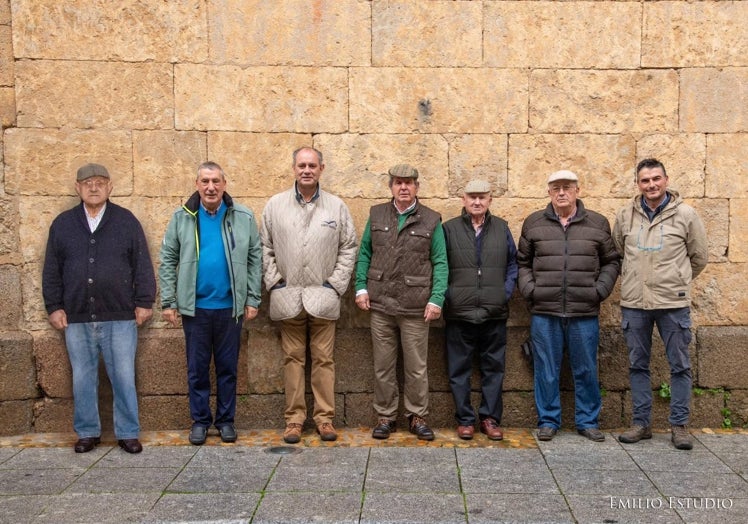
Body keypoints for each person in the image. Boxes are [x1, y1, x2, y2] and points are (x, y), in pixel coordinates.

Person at [42, 163, 156, 454]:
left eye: (100, 182)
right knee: (82, 377)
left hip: (120, 315)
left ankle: (128, 432)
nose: (94, 187)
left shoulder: (126, 221)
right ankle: (88, 431)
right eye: (87, 182)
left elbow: (142, 263)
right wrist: (54, 306)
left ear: (110, 187)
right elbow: (52, 269)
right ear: (78, 188)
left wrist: (144, 301)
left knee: (123, 377)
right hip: (77, 315)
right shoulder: (63, 224)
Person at [159, 161, 262, 445]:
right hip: (196, 309)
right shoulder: (182, 217)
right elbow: (167, 259)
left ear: (224, 184)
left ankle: (226, 421)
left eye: (216, 181)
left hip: (231, 308)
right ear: (197, 185)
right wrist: (169, 301)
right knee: (197, 368)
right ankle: (200, 421)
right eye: (205, 181)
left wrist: (252, 298)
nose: (211, 187)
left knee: (228, 369)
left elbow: (255, 258)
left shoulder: (243, 216)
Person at [261, 147, 357, 444]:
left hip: (323, 299)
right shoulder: (275, 205)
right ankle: (294, 420)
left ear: (321, 169)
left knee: (324, 359)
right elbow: (264, 247)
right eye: (301, 165)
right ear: (294, 168)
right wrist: (275, 282)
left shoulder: (336, 207)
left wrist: (335, 285)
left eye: (312, 165)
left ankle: (324, 419)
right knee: (292, 359)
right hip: (287, 297)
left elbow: (348, 247)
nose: (306, 170)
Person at [517, 170, 620, 442]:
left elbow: (611, 261)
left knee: (585, 367)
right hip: (545, 311)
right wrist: (531, 290)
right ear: (549, 192)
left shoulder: (597, 223)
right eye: (556, 188)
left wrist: (600, 290)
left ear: (577, 190)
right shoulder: (534, 223)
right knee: (546, 368)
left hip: (583, 311)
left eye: (567, 187)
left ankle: (587, 421)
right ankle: (548, 420)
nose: (561, 192)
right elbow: (522, 262)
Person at [613, 158, 708, 451]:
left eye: (656, 179)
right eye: (645, 180)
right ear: (638, 184)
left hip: (672, 303)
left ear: (666, 180)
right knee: (637, 365)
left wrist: (676, 280)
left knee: (679, 365)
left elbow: (699, 257)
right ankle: (641, 423)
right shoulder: (625, 215)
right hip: (635, 302)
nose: (651, 185)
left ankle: (679, 425)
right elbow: (619, 251)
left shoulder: (686, 215)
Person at [355, 164, 448, 441]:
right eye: (398, 182)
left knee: (416, 366)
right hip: (381, 303)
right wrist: (360, 287)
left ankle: (417, 415)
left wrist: (436, 298)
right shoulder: (377, 214)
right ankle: (385, 415)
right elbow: (364, 253)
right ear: (391, 186)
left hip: (416, 306)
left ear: (417, 187)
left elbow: (440, 262)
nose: (403, 187)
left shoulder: (431, 220)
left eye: (408, 183)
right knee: (383, 364)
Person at [442, 179, 518, 441]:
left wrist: (503, 294)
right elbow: (440, 266)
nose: (477, 202)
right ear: (463, 199)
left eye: (482, 197)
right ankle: (464, 420)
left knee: (493, 369)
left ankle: (490, 418)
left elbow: (512, 265)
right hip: (459, 313)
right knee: (458, 370)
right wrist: (448, 297)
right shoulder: (449, 229)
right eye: (472, 197)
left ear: (490, 200)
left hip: (493, 312)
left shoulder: (501, 228)